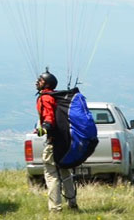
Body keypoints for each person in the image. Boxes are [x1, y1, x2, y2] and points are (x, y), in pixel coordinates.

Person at [34, 69, 79, 212]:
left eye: (40, 80)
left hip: (54, 142)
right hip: (64, 141)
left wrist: (44, 128)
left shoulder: (45, 98)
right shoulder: (57, 96)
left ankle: (55, 208)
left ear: (46, 84)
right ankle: (72, 204)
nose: (37, 82)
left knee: (51, 174)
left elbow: (49, 118)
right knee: (65, 171)